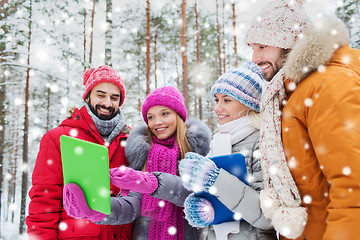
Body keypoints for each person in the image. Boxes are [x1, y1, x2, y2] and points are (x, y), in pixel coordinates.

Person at [245, 0, 360, 239]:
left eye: (263, 46)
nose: (254, 58)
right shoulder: (291, 94)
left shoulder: (328, 85)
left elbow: (352, 185)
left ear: (290, 44)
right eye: (252, 47)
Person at [62, 85, 212, 240]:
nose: (157, 122)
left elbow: (193, 195)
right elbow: (131, 206)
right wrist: (98, 210)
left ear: (178, 115)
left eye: (165, 114)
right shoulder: (144, 155)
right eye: (151, 117)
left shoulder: (197, 154)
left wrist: (153, 183)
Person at [25, 65, 134, 240]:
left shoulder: (131, 141)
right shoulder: (58, 139)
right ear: (88, 95)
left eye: (114, 97)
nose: (107, 103)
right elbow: (43, 203)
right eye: (101, 95)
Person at [179, 62, 277, 240]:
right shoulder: (219, 142)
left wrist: (215, 180)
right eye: (216, 100)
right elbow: (223, 200)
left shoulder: (264, 143)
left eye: (227, 100)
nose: (217, 108)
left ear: (248, 103)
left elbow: (268, 217)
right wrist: (206, 211)